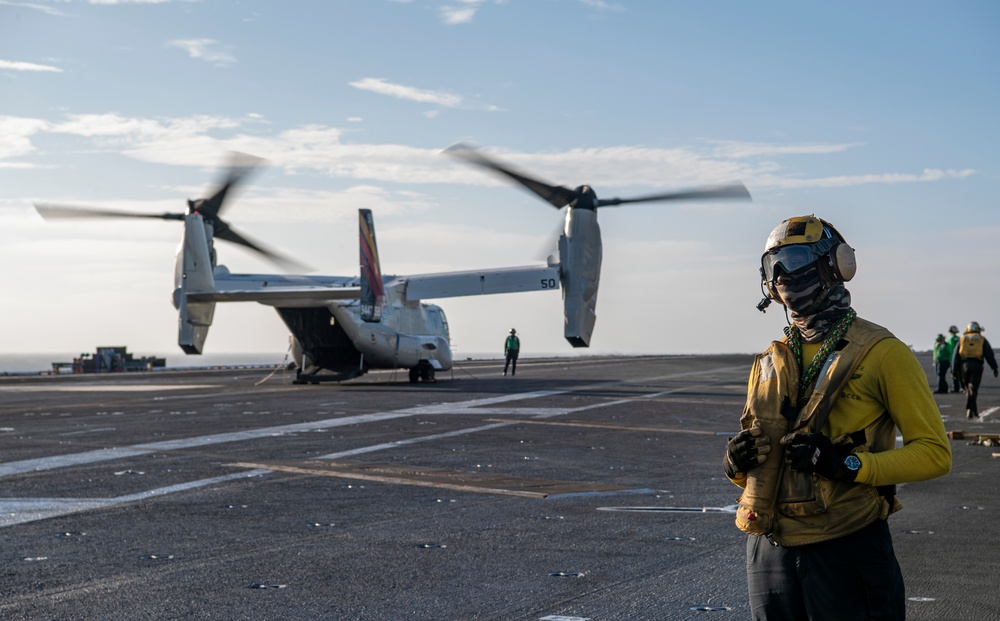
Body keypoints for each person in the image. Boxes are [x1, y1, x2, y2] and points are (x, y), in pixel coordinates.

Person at [726, 215, 951, 621]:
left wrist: (846, 464)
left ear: (836, 266)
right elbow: (760, 458)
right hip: (769, 549)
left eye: (792, 260)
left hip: (847, 546)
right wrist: (735, 467)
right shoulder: (769, 360)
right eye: (770, 265)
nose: (781, 276)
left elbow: (935, 454)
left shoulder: (882, 352)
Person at [951, 321, 998, 419]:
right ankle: (971, 408)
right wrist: (994, 367)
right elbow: (989, 354)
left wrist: (954, 370)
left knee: (967, 388)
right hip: (977, 365)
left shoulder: (962, 339)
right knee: (973, 387)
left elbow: (955, 355)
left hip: (964, 365)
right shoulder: (981, 339)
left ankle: (972, 409)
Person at [948, 324, 964, 392]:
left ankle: (956, 388)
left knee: (954, 373)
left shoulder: (951, 339)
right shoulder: (959, 338)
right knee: (961, 373)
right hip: (960, 358)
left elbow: (951, 350)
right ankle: (963, 387)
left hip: (953, 359)